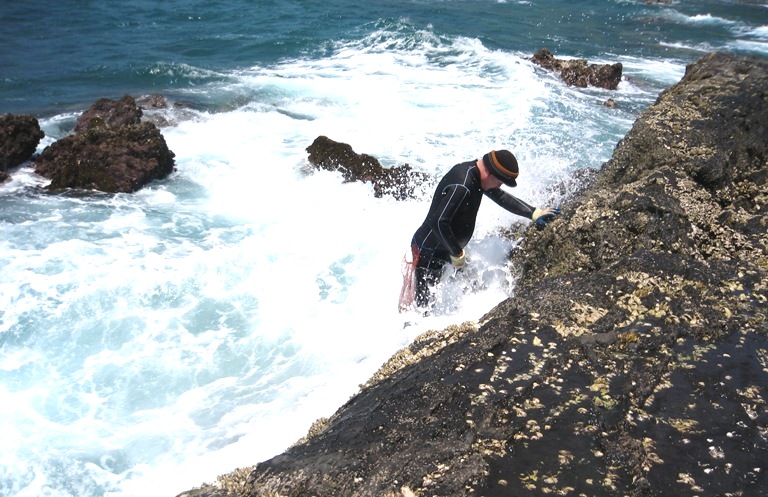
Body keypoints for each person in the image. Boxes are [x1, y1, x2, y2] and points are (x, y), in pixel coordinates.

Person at [399, 149, 559, 312]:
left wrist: (533, 212)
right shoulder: (462, 185)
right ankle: (415, 334)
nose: (499, 186)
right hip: (429, 253)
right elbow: (438, 221)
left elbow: (502, 198)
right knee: (423, 307)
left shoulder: (477, 176)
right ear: (491, 174)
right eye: (500, 182)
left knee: (454, 293)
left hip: (446, 249)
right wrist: (456, 252)